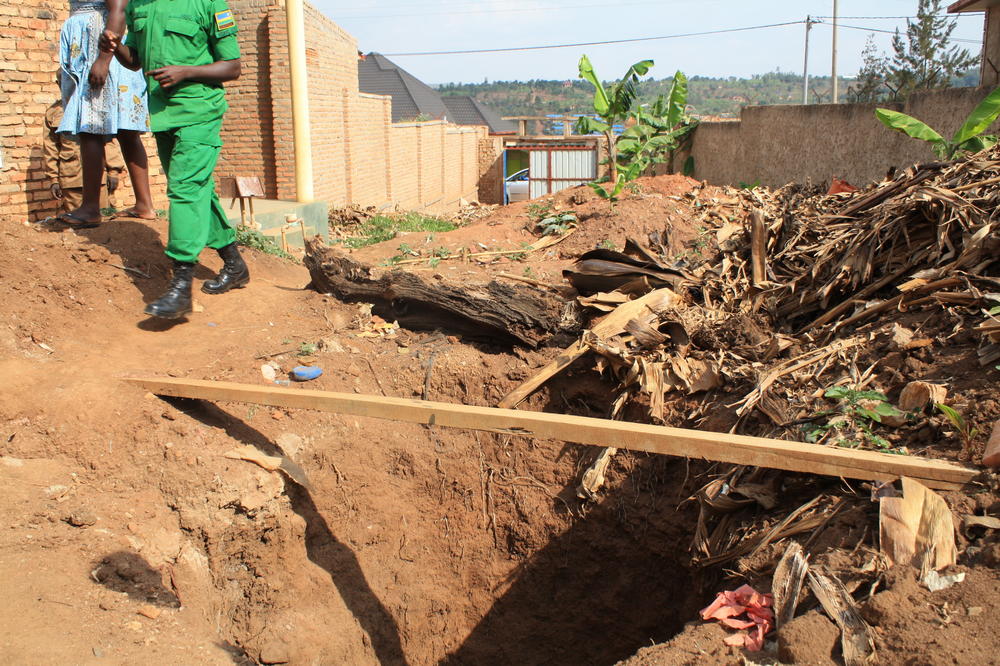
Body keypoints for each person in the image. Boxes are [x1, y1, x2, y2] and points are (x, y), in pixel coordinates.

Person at [100, 0, 249, 320]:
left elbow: (233, 66)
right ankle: (235, 264)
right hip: (164, 115)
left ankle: (180, 283)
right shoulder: (140, 5)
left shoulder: (208, 4)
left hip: (200, 111)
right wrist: (114, 48)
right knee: (197, 190)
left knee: (185, 186)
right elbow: (135, 60)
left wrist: (187, 72)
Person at [57, 0, 155, 227]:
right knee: (126, 131)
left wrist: (102, 60)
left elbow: (118, 7)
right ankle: (144, 205)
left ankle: (90, 208)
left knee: (90, 128)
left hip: (100, 49)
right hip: (99, 48)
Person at [44, 96, 129, 215]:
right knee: (76, 220)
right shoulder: (54, 112)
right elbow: (50, 147)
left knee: (104, 218)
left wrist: (113, 170)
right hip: (71, 178)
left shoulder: (94, 105)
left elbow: (108, 140)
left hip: (98, 176)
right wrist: (53, 179)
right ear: (58, 82)